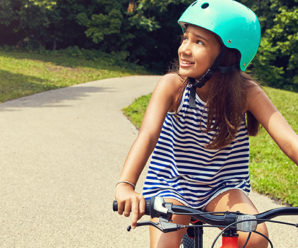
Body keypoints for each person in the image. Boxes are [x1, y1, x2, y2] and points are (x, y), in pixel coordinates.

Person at [115, 0, 298, 247]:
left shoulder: (247, 92)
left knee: (255, 237)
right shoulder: (173, 86)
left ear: (228, 55)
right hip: (173, 184)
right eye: (185, 39)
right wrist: (126, 185)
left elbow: (288, 140)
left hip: (222, 187)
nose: (185, 49)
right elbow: (147, 136)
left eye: (199, 42)